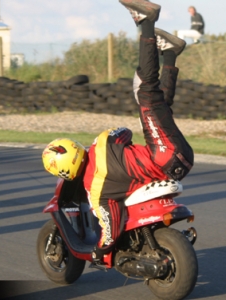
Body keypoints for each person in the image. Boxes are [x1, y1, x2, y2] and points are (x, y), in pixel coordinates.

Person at [42, 0, 194, 263]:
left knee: (151, 97)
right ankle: (168, 53)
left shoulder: (95, 187)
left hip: (168, 158)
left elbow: (110, 230)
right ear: (76, 148)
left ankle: (147, 23)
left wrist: (101, 253)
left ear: (63, 171)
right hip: (164, 155)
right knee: (151, 100)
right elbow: (124, 133)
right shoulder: (105, 139)